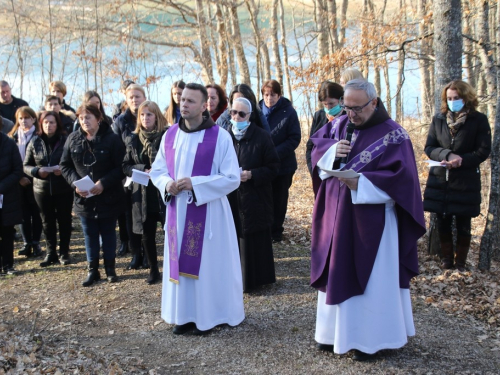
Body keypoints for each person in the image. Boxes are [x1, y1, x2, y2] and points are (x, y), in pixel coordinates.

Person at [309, 79, 426, 361]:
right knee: (336, 269)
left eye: (357, 108)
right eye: (346, 107)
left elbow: (404, 181)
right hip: (337, 216)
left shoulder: (395, 135)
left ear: (374, 102)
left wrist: (363, 183)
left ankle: (371, 339)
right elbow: (315, 148)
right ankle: (332, 333)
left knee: (371, 280)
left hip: (372, 224)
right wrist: (328, 155)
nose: (350, 114)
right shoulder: (339, 125)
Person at [150, 83, 244, 335]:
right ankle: (184, 315)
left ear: (205, 106)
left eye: (191, 101)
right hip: (177, 213)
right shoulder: (169, 135)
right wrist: (167, 184)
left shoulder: (220, 137)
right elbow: (157, 171)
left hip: (209, 212)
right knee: (179, 261)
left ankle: (209, 316)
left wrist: (196, 184)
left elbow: (232, 178)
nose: (184, 104)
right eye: (182, 99)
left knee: (207, 266)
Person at [423, 80, 491, 271]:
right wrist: (446, 155)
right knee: (442, 221)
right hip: (440, 180)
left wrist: (461, 159)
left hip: (465, 181)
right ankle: (446, 260)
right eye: (449, 98)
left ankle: (460, 262)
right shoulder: (439, 119)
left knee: (463, 223)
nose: (453, 101)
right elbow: (430, 147)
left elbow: (483, 150)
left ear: (466, 98)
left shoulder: (478, 120)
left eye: (456, 98)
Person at [60, 104, 125, 286]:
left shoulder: (112, 140)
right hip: (84, 198)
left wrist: (104, 183)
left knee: (109, 233)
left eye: (88, 117)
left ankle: (110, 269)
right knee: (89, 234)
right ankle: (92, 270)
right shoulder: (72, 139)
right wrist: (75, 183)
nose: (84, 121)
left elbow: (122, 167)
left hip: (108, 196)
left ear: (98, 118)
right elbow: (64, 165)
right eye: (81, 118)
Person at [227, 97, 279, 292]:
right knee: (236, 236)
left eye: (241, 114)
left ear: (250, 116)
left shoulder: (262, 136)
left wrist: (253, 174)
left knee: (255, 238)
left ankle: (257, 279)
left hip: (256, 195)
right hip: (233, 196)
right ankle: (235, 280)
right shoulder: (225, 137)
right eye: (233, 112)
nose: (237, 117)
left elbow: (274, 167)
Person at [122, 101, 167, 284]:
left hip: (163, 191)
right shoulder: (132, 139)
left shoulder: (167, 136)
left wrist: (157, 171)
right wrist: (142, 169)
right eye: (142, 115)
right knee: (147, 234)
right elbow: (125, 165)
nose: (145, 118)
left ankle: (174, 268)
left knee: (170, 231)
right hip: (142, 193)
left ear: (156, 116)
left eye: (149, 114)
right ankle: (154, 270)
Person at [24, 111, 74, 267]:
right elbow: (25, 165)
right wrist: (37, 172)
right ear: (40, 124)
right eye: (45, 122)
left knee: (64, 220)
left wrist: (63, 170)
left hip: (63, 188)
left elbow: (74, 163)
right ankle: (51, 252)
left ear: (57, 124)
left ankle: (64, 252)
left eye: (52, 122)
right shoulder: (34, 141)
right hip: (41, 189)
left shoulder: (66, 140)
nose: (48, 125)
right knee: (47, 221)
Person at [259, 79, 301, 242]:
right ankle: (264, 229)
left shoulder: (288, 111)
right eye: (266, 95)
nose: (269, 99)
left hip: (283, 164)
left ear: (279, 95)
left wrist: (275, 153)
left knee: (279, 198)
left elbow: (294, 138)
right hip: (262, 164)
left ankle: (276, 231)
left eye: (273, 95)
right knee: (263, 198)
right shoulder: (257, 110)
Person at [113, 84, 147, 261]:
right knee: (130, 216)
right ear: (126, 100)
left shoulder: (150, 115)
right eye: (131, 97)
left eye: (138, 96)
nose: (135, 100)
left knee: (147, 215)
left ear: (144, 97)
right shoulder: (120, 122)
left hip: (148, 173)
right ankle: (135, 253)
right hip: (128, 175)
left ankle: (148, 252)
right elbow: (116, 149)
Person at [8, 107, 43, 258]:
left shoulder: (39, 136)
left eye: (27, 118)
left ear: (34, 119)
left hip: (36, 180)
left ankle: (36, 243)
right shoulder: (12, 137)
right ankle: (26, 242)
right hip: (18, 181)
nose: (24, 121)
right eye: (21, 118)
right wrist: (19, 178)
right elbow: (8, 162)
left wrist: (31, 175)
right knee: (22, 214)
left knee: (36, 213)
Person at [0, 118, 23, 275]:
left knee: (7, 231)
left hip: (6, 195)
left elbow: (17, 170)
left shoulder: (8, 143)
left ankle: (8, 265)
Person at [306, 81, 344, 175]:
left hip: (341, 172)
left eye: (331, 104)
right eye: (325, 104)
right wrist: (313, 171)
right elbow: (311, 145)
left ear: (341, 100)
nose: (329, 108)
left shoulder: (349, 117)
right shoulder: (319, 116)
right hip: (320, 171)